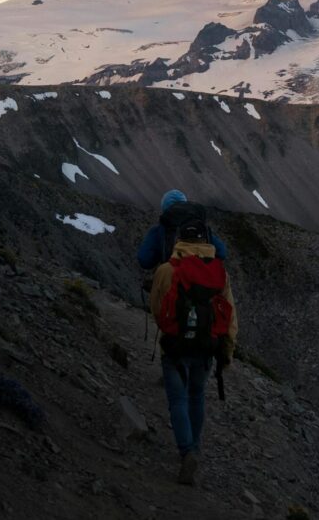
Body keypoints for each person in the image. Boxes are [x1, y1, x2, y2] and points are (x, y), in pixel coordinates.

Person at [149, 218, 238, 486]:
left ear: (180, 239)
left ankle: (187, 451)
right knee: (196, 395)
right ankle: (195, 449)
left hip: (175, 346)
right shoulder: (219, 272)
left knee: (177, 399)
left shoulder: (167, 269)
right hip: (206, 348)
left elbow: (156, 307)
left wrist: (171, 329)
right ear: (205, 240)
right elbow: (230, 315)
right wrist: (227, 351)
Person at [137, 189, 227, 269]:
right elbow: (222, 252)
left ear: (165, 208)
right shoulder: (200, 227)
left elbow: (145, 261)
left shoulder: (159, 230)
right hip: (200, 280)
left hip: (173, 279)